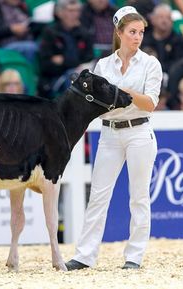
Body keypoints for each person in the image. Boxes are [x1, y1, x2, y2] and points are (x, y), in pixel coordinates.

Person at [65, 6, 162, 271]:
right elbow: (97, 103)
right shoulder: (103, 65)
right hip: (109, 131)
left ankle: (134, 256)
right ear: (119, 33)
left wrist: (119, 91)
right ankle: (84, 255)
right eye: (132, 32)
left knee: (139, 196)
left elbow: (150, 103)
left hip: (139, 131)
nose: (137, 37)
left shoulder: (150, 63)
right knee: (98, 195)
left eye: (141, 32)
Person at [38, 0, 94, 99]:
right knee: (73, 75)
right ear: (60, 13)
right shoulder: (50, 32)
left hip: (79, 74)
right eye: (71, 11)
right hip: (55, 79)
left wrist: (63, 60)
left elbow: (89, 58)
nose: (75, 14)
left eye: (77, 11)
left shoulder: (84, 33)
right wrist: (73, 62)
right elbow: (45, 64)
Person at [141, 4, 183, 74]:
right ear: (153, 20)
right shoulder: (144, 40)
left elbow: (181, 64)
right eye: (161, 17)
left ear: (172, 22)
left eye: (168, 18)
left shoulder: (179, 41)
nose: (164, 21)